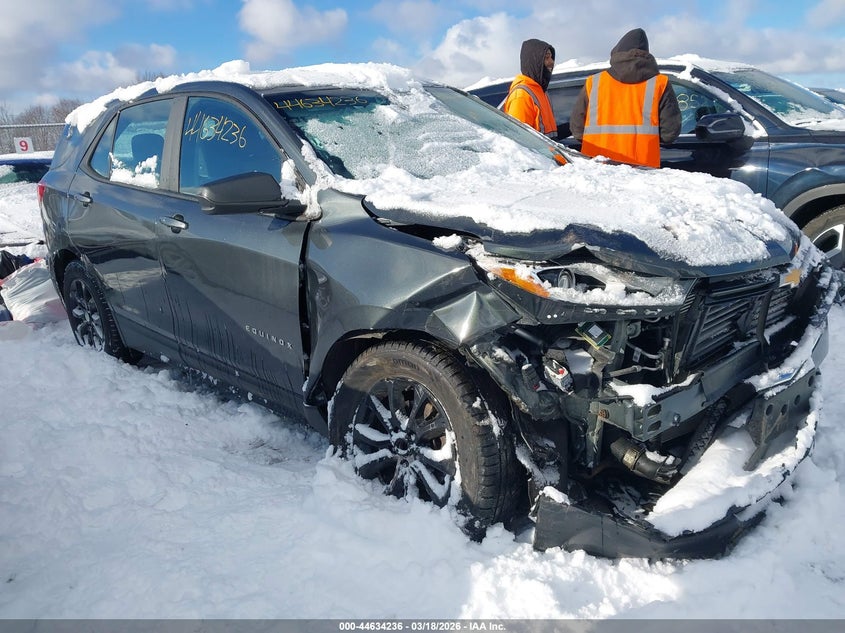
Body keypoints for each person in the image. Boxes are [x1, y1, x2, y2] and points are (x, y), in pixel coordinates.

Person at [569, 28, 681, 168]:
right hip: (642, 167)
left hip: (597, 167)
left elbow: (577, 129)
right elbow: (670, 133)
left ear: (618, 51)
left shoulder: (594, 82)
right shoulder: (660, 83)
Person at [502, 38, 558, 138]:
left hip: (550, 153)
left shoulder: (541, 91)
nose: (551, 62)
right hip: (537, 154)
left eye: (551, 57)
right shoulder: (522, 95)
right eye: (546, 58)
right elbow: (519, 139)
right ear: (535, 62)